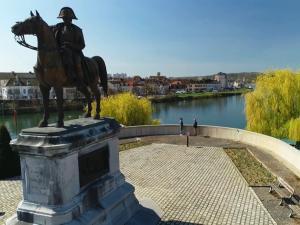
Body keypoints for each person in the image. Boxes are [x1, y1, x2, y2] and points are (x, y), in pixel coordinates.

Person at [52, 7, 85, 87]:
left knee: (77, 62)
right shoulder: (58, 27)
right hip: (59, 51)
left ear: (71, 18)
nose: (65, 20)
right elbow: (45, 29)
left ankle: (79, 80)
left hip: (74, 52)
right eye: (63, 18)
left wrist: (71, 45)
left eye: (67, 18)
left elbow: (82, 45)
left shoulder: (78, 30)